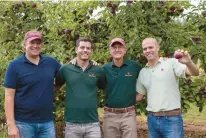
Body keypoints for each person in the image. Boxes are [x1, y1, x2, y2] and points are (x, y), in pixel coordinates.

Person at [136, 38, 199, 138]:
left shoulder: (171, 63)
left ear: (158, 47)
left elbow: (194, 73)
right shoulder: (143, 72)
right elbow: (139, 97)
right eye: (145, 48)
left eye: (151, 47)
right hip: (152, 120)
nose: (148, 50)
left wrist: (188, 62)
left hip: (172, 120)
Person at [4, 30, 61, 138]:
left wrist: (87, 63)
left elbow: (67, 74)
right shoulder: (14, 66)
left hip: (47, 123)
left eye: (38, 43)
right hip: (23, 124)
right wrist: (11, 125)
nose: (35, 46)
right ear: (25, 44)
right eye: (32, 42)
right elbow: (9, 97)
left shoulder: (51, 63)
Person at [55, 37, 106, 138]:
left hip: (93, 124)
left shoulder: (98, 71)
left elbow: (104, 88)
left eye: (88, 48)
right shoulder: (65, 69)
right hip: (72, 124)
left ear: (91, 51)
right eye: (82, 47)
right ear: (76, 49)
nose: (85, 50)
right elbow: (56, 86)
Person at [102, 38, 142, 138]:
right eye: (114, 47)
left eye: (120, 47)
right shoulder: (103, 69)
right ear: (110, 51)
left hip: (128, 114)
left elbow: (148, 78)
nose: (117, 50)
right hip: (109, 115)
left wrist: (141, 94)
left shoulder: (134, 67)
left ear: (125, 50)